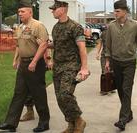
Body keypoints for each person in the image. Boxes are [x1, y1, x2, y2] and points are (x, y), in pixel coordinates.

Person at [0, 0, 50, 132]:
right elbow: (19, 45)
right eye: (19, 11)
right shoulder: (19, 27)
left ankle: (44, 122)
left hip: (35, 64)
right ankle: (11, 123)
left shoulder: (38, 25)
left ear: (30, 12)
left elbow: (43, 44)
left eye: (22, 11)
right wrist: (16, 60)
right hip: (24, 64)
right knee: (19, 93)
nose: (20, 13)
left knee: (38, 93)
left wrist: (34, 61)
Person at [105, 0, 137, 131]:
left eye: (117, 11)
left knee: (126, 89)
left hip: (129, 62)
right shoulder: (111, 26)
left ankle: (122, 120)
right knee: (120, 90)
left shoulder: (135, 25)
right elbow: (108, 45)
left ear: (125, 11)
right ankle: (128, 114)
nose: (115, 13)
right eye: (114, 11)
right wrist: (107, 61)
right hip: (116, 62)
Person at [49, 0, 90, 132]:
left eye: (54, 9)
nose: (52, 11)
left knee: (65, 94)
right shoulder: (56, 27)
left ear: (63, 9)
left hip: (71, 66)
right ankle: (71, 124)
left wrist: (84, 68)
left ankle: (79, 121)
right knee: (59, 98)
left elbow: (82, 48)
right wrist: (45, 46)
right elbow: (58, 45)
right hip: (58, 67)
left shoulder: (75, 27)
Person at [20, 49, 53, 122]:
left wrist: (49, 60)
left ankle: (44, 115)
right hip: (27, 62)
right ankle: (30, 111)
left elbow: (46, 46)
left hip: (39, 63)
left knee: (38, 90)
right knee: (27, 87)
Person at [97, 27, 116, 95]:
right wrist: (98, 53)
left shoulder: (116, 32)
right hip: (104, 55)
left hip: (113, 55)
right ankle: (104, 89)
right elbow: (100, 43)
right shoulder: (104, 33)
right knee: (104, 71)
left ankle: (110, 88)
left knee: (111, 72)